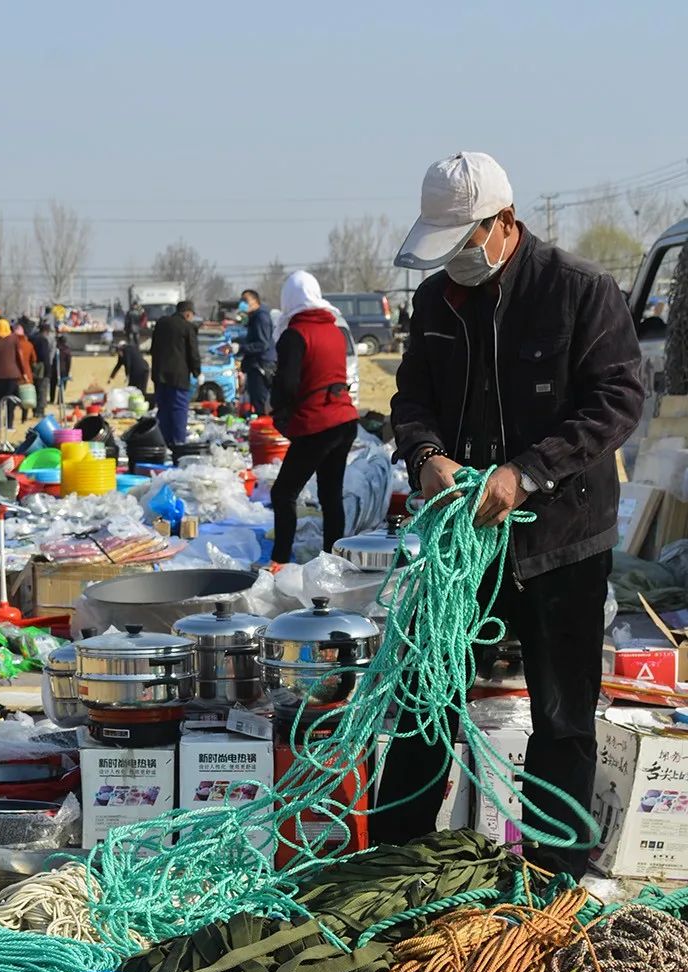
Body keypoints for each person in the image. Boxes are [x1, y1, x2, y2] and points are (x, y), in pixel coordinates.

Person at [371, 151, 645, 877]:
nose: (457, 261)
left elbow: (618, 400)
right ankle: (390, 864)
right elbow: (411, 399)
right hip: (465, 548)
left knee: (562, 718)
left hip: (562, 543)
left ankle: (551, 879)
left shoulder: (579, 291)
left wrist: (526, 473)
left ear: (505, 223)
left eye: (466, 243)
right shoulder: (437, 303)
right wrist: (426, 455)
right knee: (425, 702)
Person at [267, 272, 359, 562]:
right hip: (345, 419)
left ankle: (280, 560)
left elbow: (287, 384)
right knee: (330, 495)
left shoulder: (295, 334)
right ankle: (334, 559)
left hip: (318, 423)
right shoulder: (334, 329)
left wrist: (280, 410)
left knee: (283, 493)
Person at [151, 300, 199, 447]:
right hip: (179, 377)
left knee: (163, 410)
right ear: (188, 314)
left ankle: (163, 443)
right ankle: (178, 443)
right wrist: (197, 372)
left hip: (159, 376)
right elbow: (193, 353)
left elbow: (153, 349)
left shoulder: (161, 324)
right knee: (178, 409)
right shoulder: (187, 327)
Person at [235, 289, 276, 415]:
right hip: (255, 365)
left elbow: (262, 344)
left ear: (255, 301)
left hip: (261, 366)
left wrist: (241, 348)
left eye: (245, 300)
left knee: (261, 403)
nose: (242, 304)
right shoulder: (253, 318)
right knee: (256, 401)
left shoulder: (261, 317)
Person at [0, 317, 25, 430]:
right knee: (10, 400)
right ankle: (9, 424)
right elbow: (19, 356)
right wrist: (23, 372)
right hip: (12, 375)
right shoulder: (14, 338)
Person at [30, 319, 56, 416]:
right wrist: (48, 370)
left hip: (33, 366)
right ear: (46, 331)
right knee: (42, 389)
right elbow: (45, 356)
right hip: (43, 368)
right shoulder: (43, 340)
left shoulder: (32, 338)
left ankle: (35, 410)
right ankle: (40, 411)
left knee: (36, 388)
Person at [52, 333, 72, 405]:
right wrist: (68, 371)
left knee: (53, 385)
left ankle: (52, 399)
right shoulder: (67, 350)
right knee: (62, 385)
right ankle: (60, 400)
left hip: (54, 369)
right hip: (63, 370)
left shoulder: (55, 348)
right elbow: (69, 362)